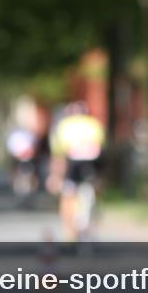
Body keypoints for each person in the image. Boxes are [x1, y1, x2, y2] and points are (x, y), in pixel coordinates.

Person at [47, 102, 106, 242]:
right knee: (96, 188)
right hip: (93, 164)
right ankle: (93, 221)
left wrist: (55, 177)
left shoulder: (64, 126)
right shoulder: (95, 124)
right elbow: (102, 151)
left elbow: (59, 156)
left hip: (73, 164)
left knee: (68, 194)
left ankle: (70, 232)